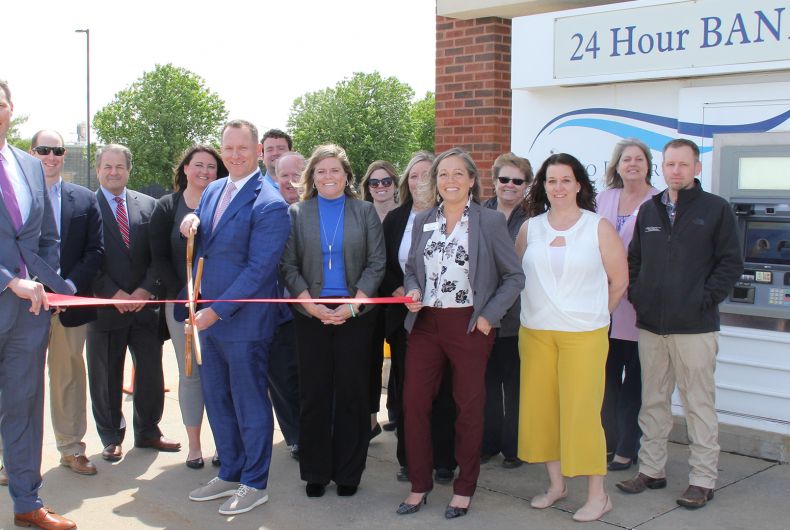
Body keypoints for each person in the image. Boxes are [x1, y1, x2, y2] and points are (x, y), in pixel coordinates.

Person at [398, 147, 524, 519]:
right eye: (442, 174)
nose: (449, 181)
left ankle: (464, 488)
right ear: (435, 182)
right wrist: (414, 291)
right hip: (425, 324)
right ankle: (419, 485)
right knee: (414, 402)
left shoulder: (488, 222)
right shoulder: (423, 220)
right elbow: (410, 271)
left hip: (469, 323)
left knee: (469, 405)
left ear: (471, 180)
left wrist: (488, 316)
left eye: (457, 174)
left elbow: (514, 277)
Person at [617, 139, 743, 509]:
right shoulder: (650, 210)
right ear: (663, 167)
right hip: (652, 326)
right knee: (653, 400)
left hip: (695, 328)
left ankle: (703, 479)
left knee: (698, 404)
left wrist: (702, 301)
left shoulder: (715, 210)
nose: (676, 171)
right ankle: (652, 470)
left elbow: (730, 264)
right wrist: (639, 297)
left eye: (683, 165)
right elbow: (634, 260)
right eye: (670, 164)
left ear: (696, 169)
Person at [183, 120, 290, 516]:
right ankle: (229, 469)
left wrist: (215, 312)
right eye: (227, 149)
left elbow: (259, 270)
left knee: (249, 403)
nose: (233, 156)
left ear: (258, 150)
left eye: (242, 149)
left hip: (243, 322)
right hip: (208, 318)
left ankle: (254, 482)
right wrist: (192, 223)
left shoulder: (270, 202)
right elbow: (208, 242)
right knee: (218, 399)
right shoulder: (213, 190)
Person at [516, 153, 627, 523]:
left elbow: (619, 281)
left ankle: (598, 495)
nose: (558, 187)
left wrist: (596, 313)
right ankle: (556, 485)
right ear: (543, 186)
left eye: (565, 180)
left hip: (584, 335)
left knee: (582, 414)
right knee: (542, 411)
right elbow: (517, 277)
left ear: (579, 184)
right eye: (551, 181)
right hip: (535, 332)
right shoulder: (530, 228)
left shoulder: (598, 227)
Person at [280, 143, 385, 498]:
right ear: (312, 176)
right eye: (321, 171)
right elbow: (288, 265)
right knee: (315, 394)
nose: (329, 177)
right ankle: (315, 471)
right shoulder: (297, 213)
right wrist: (311, 306)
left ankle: (349, 473)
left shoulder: (365, 212)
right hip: (311, 314)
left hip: (355, 313)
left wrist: (353, 307)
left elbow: (376, 263)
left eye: (335, 171)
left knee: (353, 394)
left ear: (347, 176)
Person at [0, 80, 77, 530]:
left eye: (0, 103)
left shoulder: (30, 166)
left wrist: (58, 287)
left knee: (25, 406)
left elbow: (44, 240)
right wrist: (10, 281)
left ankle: (27, 501)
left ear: (12, 109)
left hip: (29, 317)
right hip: (12, 295)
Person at [87, 144, 180, 465]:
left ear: (129, 169)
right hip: (104, 308)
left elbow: (159, 255)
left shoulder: (150, 206)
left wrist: (144, 291)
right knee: (105, 375)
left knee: (151, 373)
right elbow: (85, 258)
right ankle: (111, 436)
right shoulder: (86, 207)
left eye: (120, 166)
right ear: (98, 169)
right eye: (107, 166)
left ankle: (148, 430)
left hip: (145, 308)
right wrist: (113, 293)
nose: (114, 172)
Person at [380, 151, 457, 484]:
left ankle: (443, 460)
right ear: (405, 181)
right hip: (405, 320)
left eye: (427, 174)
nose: (419, 181)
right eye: (413, 175)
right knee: (410, 392)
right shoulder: (396, 219)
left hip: (446, 317)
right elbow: (383, 265)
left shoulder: (451, 216)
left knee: (443, 392)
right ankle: (409, 459)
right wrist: (398, 290)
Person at [149, 145, 226, 469]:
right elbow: (159, 257)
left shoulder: (225, 205)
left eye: (211, 166)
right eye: (198, 165)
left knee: (221, 375)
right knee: (191, 375)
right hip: (181, 305)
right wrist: (183, 295)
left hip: (221, 305)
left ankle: (225, 444)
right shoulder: (167, 206)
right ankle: (195, 447)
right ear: (185, 169)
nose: (205, 171)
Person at [596, 138, 659, 472]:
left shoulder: (658, 202)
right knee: (605, 382)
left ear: (648, 164)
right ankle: (607, 441)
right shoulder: (602, 199)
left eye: (639, 159)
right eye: (626, 159)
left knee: (634, 382)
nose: (632, 164)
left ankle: (627, 446)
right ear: (616, 165)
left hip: (638, 307)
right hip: (604, 306)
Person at [481, 152, 532, 469]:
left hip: (521, 316)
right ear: (494, 181)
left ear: (526, 185)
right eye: (504, 179)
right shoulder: (479, 213)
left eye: (518, 180)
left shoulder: (535, 217)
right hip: (484, 314)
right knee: (485, 386)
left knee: (515, 388)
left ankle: (515, 447)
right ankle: (488, 443)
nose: (510, 185)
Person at [268, 151, 305, 460]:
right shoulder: (269, 210)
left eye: (298, 174)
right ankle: (295, 436)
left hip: (316, 312)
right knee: (282, 378)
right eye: (285, 175)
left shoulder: (318, 211)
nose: (292, 181)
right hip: (277, 313)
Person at [360, 160, 399, 439]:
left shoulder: (407, 216)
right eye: (374, 183)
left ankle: (397, 414)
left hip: (399, 298)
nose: (381, 187)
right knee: (369, 361)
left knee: (402, 361)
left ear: (396, 185)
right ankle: (370, 420)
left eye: (386, 181)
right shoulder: (361, 214)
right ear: (367, 188)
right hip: (370, 300)